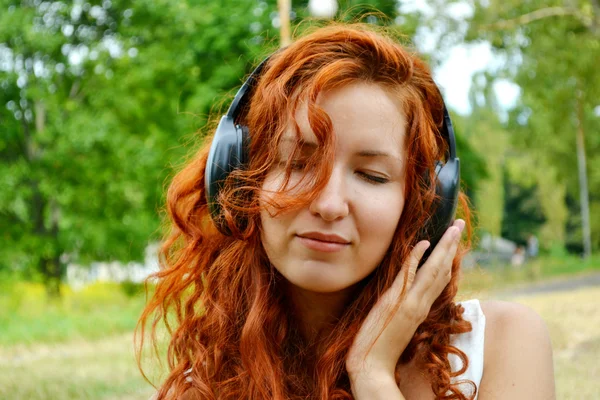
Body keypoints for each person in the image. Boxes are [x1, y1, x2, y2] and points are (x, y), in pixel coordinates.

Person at [137, 23, 555, 400]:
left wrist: (372, 376)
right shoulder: (206, 388)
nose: (329, 204)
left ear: (424, 205)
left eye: (372, 176)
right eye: (298, 163)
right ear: (239, 180)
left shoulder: (503, 345)